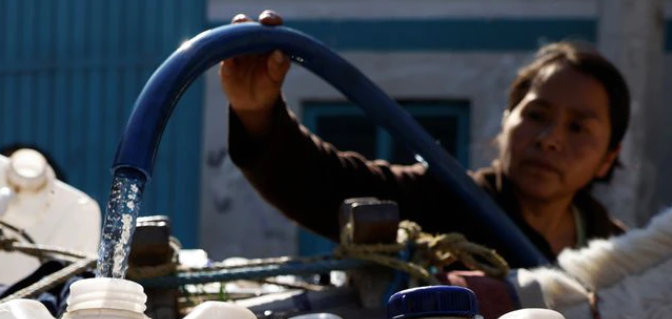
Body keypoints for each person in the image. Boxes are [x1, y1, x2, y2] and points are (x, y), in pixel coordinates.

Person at [219, 10, 631, 268]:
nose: (550, 139)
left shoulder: (622, 257)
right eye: (536, 115)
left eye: (578, 127)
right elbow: (326, 183)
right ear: (507, 120)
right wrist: (256, 110)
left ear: (607, 158)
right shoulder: (446, 200)